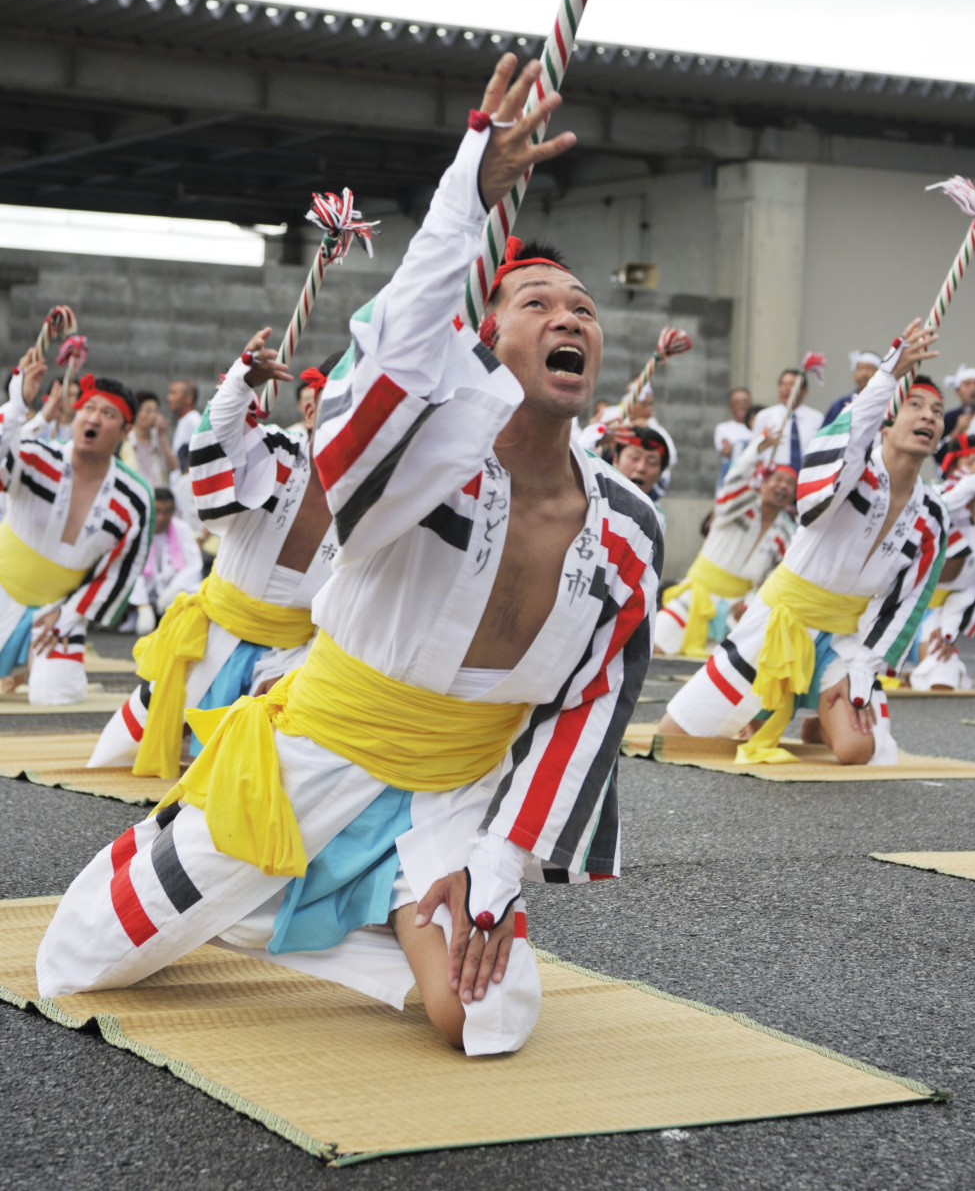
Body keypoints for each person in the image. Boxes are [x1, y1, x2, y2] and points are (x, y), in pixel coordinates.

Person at [40, 54, 662, 1062]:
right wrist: (469, 193)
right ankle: (281, 897)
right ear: (484, 334)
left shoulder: (628, 520)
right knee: (79, 953)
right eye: (538, 300)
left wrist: (499, 866)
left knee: (487, 1022)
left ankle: (377, 898)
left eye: (583, 308)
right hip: (314, 746)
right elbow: (396, 361)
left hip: (458, 785)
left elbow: (591, 701)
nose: (569, 318)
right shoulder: (427, 457)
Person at [658, 324, 946, 766]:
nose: (928, 416)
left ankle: (818, 715)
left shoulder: (932, 515)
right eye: (915, 405)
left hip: (844, 639)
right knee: (671, 738)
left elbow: (905, 604)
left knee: (857, 751)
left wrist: (868, 672)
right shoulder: (854, 474)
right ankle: (770, 709)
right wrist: (887, 375)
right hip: (776, 620)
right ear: (884, 424)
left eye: (937, 411)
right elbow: (827, 472)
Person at [87, 358, 336, 776]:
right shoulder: (276, 452)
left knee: (267, 775)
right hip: (216, 628)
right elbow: (210, 484)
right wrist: (240, 386)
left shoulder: (377, 499)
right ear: (311, 411)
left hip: (295, 653)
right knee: (120, 753)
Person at [0, 363, 152, 703]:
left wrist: (70, 614)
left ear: (125, 430)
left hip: (61, 606)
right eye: (88, 408)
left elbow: (120, 570)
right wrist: (17, 405)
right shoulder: (37, 454)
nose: (94, 419)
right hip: (2, 583)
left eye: (107, 413)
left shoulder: (135, 497)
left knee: (57, 694)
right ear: (76, 414)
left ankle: (36, 664)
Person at [655, 431, 796, 657]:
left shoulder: (789, 531)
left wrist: (752, 603)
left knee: (731, 665)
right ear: (763, 482)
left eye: (790, 483)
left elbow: (776, 576)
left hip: (737, 608)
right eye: (777, 479)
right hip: (697, 593)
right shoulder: (738, 504)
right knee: (656, 644)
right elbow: (735, 479)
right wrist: (756, 450)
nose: (783, 486)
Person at [908, 433, 975, 691]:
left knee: (943, 681)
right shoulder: (931, 497)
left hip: (935, 617)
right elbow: (943, 509)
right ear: (953, 465)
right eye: (972, 462)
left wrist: (948, 631)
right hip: (895, 608)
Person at [127, 488, 204, 635]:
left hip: (172, 593)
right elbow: (132, 569)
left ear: (173, 511)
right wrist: (143, 606)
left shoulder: (182, 528)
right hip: (146, 593)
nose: (161, 518)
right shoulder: (138, 529)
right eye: (157, 511)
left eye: (167, 511)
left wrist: (175, 587)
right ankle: (137, 614)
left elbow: (194, 564)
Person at [751, 369, 824, 472]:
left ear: (804, 390)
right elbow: (753, 452)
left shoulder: (817, 418)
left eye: (792, 385)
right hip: (775, 479)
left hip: (807, 477)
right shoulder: (764, 417)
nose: (786, 389)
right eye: (782, 384)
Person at [937, 365, 975, 460]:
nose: (973, 388)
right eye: (967, 384)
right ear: (957, 391)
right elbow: (938, 454)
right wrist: (958, 430)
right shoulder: (947, 419)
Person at [119, 392, 180, 491]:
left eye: (156, 411)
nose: (153, 416)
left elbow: (173, 467)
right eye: (148, 411)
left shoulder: (159, 438)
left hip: (159, 497)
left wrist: (163, 436)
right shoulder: (125, 439)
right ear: (136, 413)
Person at [821, 351, 881, 428]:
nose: (864, 373)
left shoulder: (885, 402)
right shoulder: (841, 404)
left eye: (869, 369)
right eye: (860, 368)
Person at [613, 426, 670, 498]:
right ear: (615, 459)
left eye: (652, 462)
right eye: (634, 458)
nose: (641, 468)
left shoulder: (654, 509)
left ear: (660, 473)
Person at [22, 376, 81, 444]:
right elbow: (23, 439)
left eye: (77, 396)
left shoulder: (80, 429)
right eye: (69, 395)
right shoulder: (43, 425)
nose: (75, 400)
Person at [166, 380, 201, 473]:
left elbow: (199, 456)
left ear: (189, 398)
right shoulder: (185, 419)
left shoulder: (192, 420)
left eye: (174, 393)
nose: (168, 397)